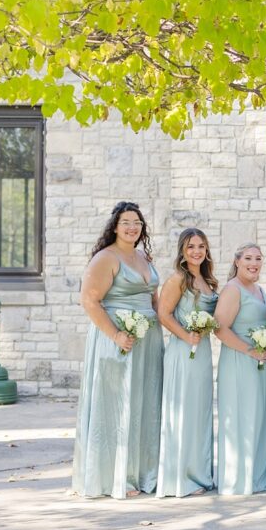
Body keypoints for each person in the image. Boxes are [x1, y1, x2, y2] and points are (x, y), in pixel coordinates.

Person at [72, 201, 164, 499]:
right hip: (116, 340)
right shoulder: (105, 258)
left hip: (147, 340)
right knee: (115, 405)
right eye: (126, 221)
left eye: (137, 222)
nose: (132, 227)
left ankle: (141, 472)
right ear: (115, 226)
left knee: (143, 404)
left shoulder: (143, 256)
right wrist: (116, 335)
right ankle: (112, 477)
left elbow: (153, 299)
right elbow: (89, 300)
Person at [156, 227, 218, 497]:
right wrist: (186, 336)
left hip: (202, 353)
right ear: (182, 250)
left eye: (201, 246)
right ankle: (180, 477)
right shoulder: (178, 279)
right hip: (183, 351)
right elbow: (164, 314)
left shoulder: (208, 281)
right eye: (191, 246)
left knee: (199, 411)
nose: (197, 251)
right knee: (182, 412)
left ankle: (199, 473)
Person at [214, 243, 266, 495]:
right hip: (241, 361)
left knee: (261, 417)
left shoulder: (260, 290)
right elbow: (219, 328)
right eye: (248, 258)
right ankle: (238, 478)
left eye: (258, 259)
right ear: (237, 261)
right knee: (241, 417)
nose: (254, 263)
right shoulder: (232, 289)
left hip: (263, 363)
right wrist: (249, 350)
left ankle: (258, 475)